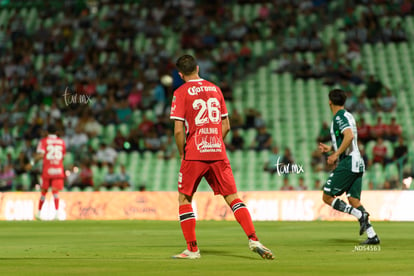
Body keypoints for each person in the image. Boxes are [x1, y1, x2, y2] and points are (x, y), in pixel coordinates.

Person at [170, 55, 274, 260]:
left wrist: (183, 152)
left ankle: (192, 250)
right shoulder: (215, 89)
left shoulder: (181, 92)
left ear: (181, 75)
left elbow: (178, 130)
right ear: (198, 68)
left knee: (185, 198)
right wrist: (214, 141)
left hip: (194, 152)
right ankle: (253, 239)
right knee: (232, 198)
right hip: (217, 151)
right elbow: (226, 126)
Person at [318, 89, 379, 245]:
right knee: (353, 199)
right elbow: (348, 139)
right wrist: (331, 148)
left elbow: (349, 136)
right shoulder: (348, 115)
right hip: (357, 161)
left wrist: (335, 154)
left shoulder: (339, 117)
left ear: (329, 101)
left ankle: (359, 216)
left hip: (348, 162)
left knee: (327, 196)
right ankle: (372, 236)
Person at [34, 125, 66, 220]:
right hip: (58, 170)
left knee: (43, 192)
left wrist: (32, 162)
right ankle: (56, 214)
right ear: (56, 132)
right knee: (55, 192)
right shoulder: (62, 142)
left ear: (47, 132)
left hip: (47, 169)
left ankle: (39, 213)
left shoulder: (44, 141)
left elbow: (41, 155)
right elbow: (63, 156)